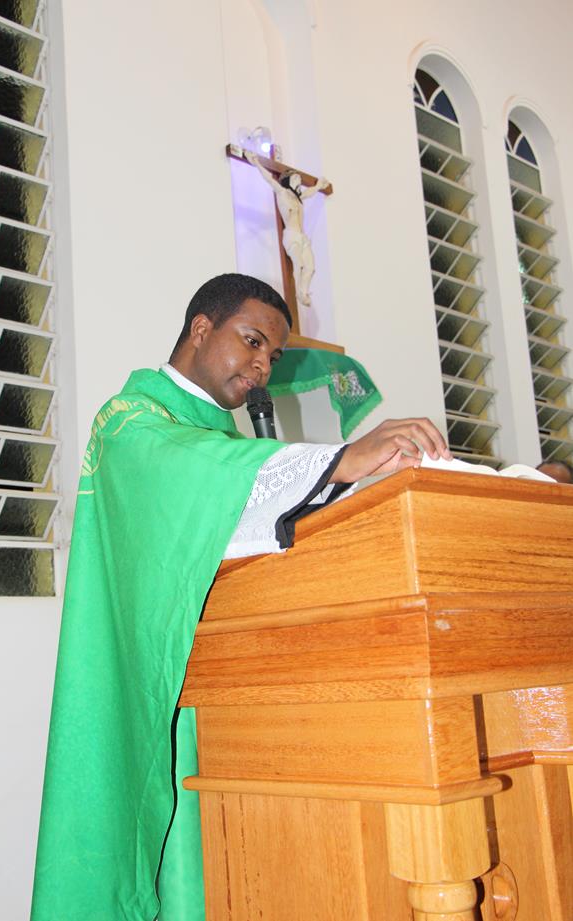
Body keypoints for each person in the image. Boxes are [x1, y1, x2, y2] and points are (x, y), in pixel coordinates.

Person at [31, 273, 450, 921]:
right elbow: (197, 474)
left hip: (223, 690)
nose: (262, 367)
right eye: (253, 342)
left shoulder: (218, 440)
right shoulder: (131, 421)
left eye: (272, 356)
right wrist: (340, 459)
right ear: (201, 328)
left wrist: (357, 482)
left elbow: (247, 517)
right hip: (152, 687)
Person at [245, 150, 329, 307]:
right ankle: (299, 293)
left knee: (310, 267)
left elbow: (309, 192)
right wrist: (256, 162)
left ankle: (304, 291)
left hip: (302, 237)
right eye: (296, 179)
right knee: (299, 264)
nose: (299, 182)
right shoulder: (282, 193)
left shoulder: (298, 198)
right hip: (291, 235)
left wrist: (318, 186)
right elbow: (269, 179)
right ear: (288, 181)